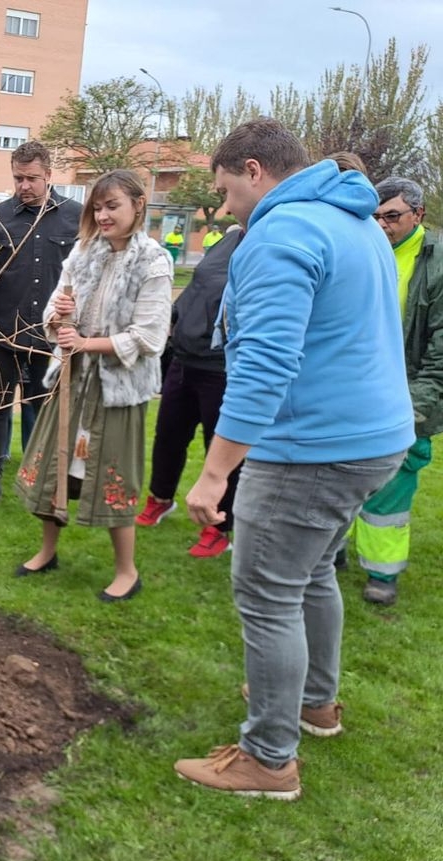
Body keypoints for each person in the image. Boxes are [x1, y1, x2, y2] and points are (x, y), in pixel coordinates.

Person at [174, 119, 414, 799]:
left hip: (314, 446)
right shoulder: (354, 220)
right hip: (372, 438)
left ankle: (268, 758)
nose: (223, 209)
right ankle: (314, 702)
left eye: (224, 191)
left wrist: (216, 471)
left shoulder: (282, 232)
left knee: (268, 592)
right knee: (309, 578)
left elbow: (265, 363)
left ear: (254, 170)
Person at [13, 170, 171, 600]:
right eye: (97, 207)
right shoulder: (83, 252)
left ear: (138, 204)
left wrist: (86, 341)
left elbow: (150, 337)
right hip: (73, 380)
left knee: (113, 475)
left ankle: (126, 571)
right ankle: (47, 552)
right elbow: (53, 317)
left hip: (118, 390)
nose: (102, 215)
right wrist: (60, 316)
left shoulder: (153, 260)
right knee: (54, 467)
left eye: (112, 206)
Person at [0, 141, 81, 512]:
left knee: (44, 414)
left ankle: (41, 481)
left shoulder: (75, 218)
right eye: (18, 178)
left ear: (49, 175)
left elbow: (85, 277)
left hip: (49, 339)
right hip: (0, 338)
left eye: (32, 178)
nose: (24, 185)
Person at [351, 176, 443, 606]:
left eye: (392, 216)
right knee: (340, 473)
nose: (381, 224)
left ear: (417, 215)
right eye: (375, 216)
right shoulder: (362, 250)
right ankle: (331, 551)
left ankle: (382, 574)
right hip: (354, 388)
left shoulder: (437, 263)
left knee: (394, 479)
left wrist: (417, 409)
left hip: (406, 393)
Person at [136, 226, 244, 559]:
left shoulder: (267, 243)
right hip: (185, 360)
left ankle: (219, 525)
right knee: (168, 434)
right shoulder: (230, 238)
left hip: (221, 368)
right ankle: (161, 498)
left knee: (220, 447)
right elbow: (196, 289)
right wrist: (172, 320)